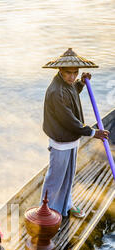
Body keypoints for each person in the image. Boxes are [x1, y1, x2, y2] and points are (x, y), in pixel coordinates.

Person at [41, 48, 109, 218]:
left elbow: (72, 93)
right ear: (60, 71)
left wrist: (82, 83)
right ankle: (47, 213)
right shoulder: (56, 91)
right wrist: (93, 133)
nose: (72, 76)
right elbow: (69, 121)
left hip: (71, 140)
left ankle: (66, 204)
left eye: (75, 73)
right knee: (55, 179)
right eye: (68, 73)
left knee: (68, 177)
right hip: (61, 141)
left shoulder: (68, 84)